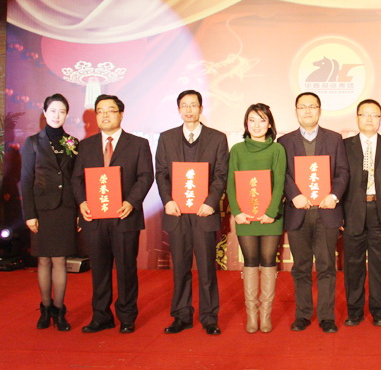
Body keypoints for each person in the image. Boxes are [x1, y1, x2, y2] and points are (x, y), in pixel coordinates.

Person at [72, 94, 154, 334]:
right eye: (100, 111)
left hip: (125, 216)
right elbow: (76, 179)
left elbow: (145, 176)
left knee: (126, 269)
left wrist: (131, 202)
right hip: (95, 218)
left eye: (110, 110)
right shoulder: (86, 145)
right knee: (99, 270)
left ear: (121, 114)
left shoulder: (138, 144)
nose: (104, 115)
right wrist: (82, 202)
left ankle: (127, 316)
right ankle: (101, 316)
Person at [155, 90, 229, 335]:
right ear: (178, 109)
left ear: (201, 109)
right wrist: (167, 200)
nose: (189, 110)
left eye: (193, 105)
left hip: (204, 213)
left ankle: (209, 317)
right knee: (180, 268)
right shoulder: (166, 138)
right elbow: (161, 173)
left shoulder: (217, 138)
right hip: (177, 213)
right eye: (184, 105)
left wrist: (210, 202)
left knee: (207, 268)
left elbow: (221, 175)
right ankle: (181, 315)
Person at [278, 92, 350, 333]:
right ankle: (303, 314)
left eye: (312, 106)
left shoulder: (334, 138)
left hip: (326, 212)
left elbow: (343, 172)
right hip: (298, 211)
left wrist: (334, 196)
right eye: (302, 107)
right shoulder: (284, 141)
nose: (307, 111)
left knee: (327, 266)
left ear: (319, 110)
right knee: (301, 267)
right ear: (296, 111)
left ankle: (327, 316)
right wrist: (294, 195)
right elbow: (282, 173)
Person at [226, 103, 286, 333]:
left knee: (269, 260)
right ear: (246, 123)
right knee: (250, 260)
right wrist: (237, 212)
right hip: (245, 216)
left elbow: (279, 182)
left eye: (262, 120)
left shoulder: (277, 150)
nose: (257, 125)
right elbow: (231, 183)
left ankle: (266, 315)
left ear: (269, 124)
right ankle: (252, 314)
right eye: (252, 120)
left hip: (271, 216)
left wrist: (271, 212)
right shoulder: (237, 150)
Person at [21, 94, 78, 331]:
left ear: (67, 115)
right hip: (42, 209)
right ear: (45, 113)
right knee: (43, 259)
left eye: (62, 111)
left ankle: (59, 310)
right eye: (53, 110)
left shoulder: (73, 142)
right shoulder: (33, 142)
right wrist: (29, 214)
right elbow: (26, 180)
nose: (57, 115)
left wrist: (78, 210)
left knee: (60, 260)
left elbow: (76, 178)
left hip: (65, 208)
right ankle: (45, 308)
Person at [341, 99, 381, 327]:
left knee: (380, 265)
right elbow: (338, 181)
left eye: (375, 115)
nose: (370, 119)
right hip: (352, 211)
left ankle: (379, 311)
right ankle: (354, 311)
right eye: (365, 114)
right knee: (353, 265)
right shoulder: (344, 146)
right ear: (357, 118)